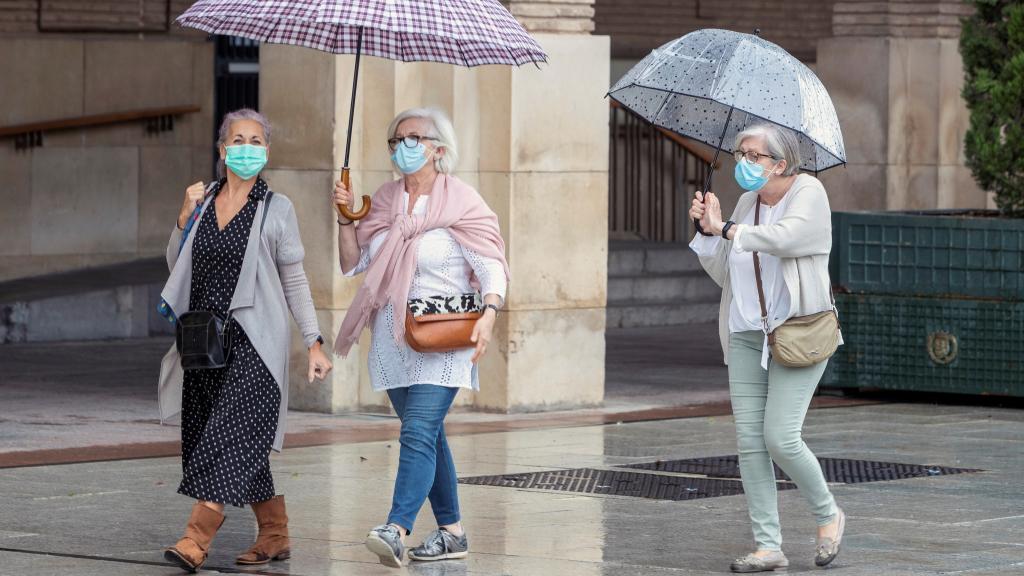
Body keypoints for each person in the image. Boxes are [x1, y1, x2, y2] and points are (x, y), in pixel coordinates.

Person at [332, 107, 509, 568]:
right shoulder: (385, 201)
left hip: (446, 338)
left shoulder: (463, 202)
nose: (403, 147)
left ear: (439, 149)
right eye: (396, 140)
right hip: (394, 338)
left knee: (417, 430)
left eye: (413, 138)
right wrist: (346, 219)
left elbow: (491, 264)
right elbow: (354, 266)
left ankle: (396, 527)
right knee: (429, 436)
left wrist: (489, 312)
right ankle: (452, 532)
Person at [157, 108, 332, 572]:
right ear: (222, 149)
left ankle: (196, 537)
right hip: (204, 343)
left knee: (229, 434)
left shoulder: (276, 209)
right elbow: (176, 263)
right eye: (239, 139)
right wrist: (182, 218)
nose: (248, 148)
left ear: (267, 151)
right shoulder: (204, 199)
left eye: (257, 141)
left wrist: (314, 341)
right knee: (226, 439)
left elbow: (295, 281)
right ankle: (274, 533)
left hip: (255, 345)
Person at [689, 123, 847, 572]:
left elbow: (789, 240)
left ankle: (828, 514)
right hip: (745, 333)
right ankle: (767, 545)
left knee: (780, 435)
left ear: (780, 163)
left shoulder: (809, 193)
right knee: (750, 443)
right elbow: (726, 271)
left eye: (754, 155)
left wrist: (730, 229)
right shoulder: (745, 203)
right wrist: (706, 230)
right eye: (740, 153)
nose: (743, 162)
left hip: (798, 331)